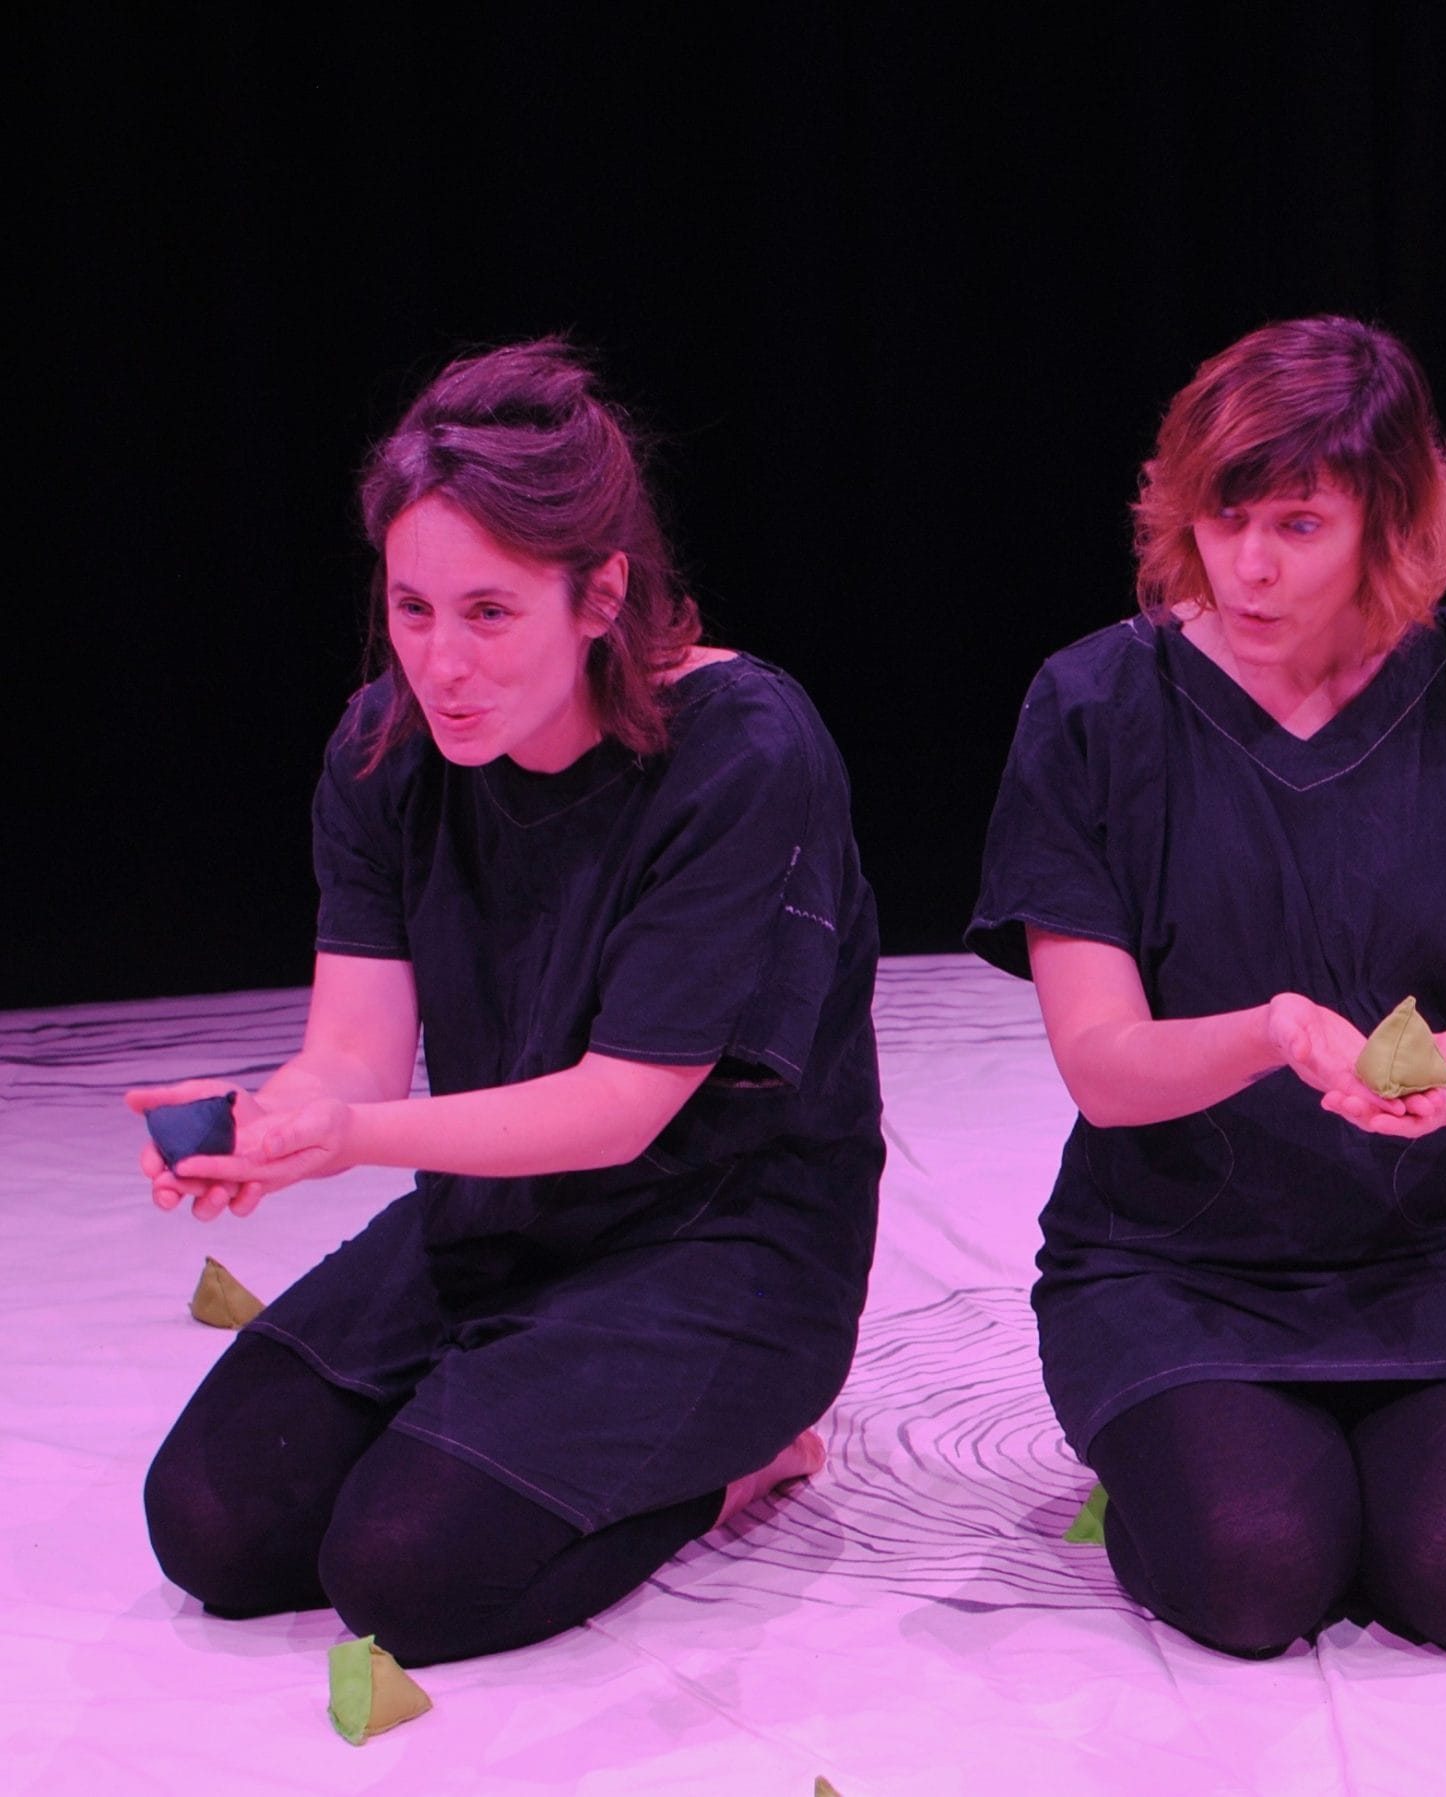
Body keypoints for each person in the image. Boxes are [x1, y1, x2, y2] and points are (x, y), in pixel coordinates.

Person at [132, 340, 884, 1665]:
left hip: (722, 1241)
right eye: (414, 609)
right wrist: (276, 1121)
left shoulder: (741, 749)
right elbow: (353, 1054)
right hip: (497, 1217)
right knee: (212, 1526)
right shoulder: (382, 750)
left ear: (601, 595)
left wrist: (352, 1139)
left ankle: (751, 1455)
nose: (443, 664)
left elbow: (621, 1109)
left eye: (489, 613)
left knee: (404, 1573)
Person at [969, 316, 1446, 1658]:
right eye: (1226, 519)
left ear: (1389, 524)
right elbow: (1103, 1069)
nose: (1251, 566)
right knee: (1256, 1574)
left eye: (1300, 525)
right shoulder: (1093, 708)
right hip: (1173, 1261)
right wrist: (1275, 1032)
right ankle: (1163, 1457)